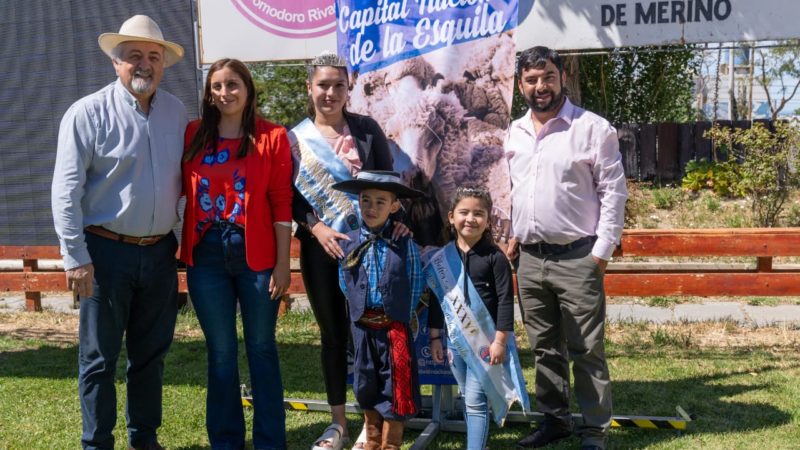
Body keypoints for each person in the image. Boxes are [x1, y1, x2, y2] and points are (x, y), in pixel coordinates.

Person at [51, 15, 187, 450]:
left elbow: (181, 183)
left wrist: (181, 240)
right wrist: (75, 257)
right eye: (134, 57)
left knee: (151, 357)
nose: (144, 65)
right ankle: (98, 443)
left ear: (164, 64)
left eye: (153, 56)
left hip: (161, 254)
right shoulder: (86, 113)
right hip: (104, 254)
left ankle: (143, 438)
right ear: (116, 63)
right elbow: (65, 191)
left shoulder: (177, 112)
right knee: (98, 359)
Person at [505, 46, 628, 450]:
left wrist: (602, 251)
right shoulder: (514, 133)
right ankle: (554, 421)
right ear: (521, 84)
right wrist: (510, 230)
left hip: (578, 257)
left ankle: (593, 431)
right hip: (530, 259)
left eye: (548, 77)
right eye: (531, 80)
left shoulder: (593, 128)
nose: (540, 86)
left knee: (586, 348)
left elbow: (614, 192)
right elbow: (511, 190)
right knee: (544, 349)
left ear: (562, 78)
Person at [180, 58, 293, 449]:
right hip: (206, 256)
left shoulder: (273, 136)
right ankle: (226, 442)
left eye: (232, 85)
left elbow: (281, 205)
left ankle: (269, 441)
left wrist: (282, 264)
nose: (224, 93)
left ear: (248, 90)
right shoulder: (194, 134)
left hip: (256, 255)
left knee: (262, 347)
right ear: (209, 94)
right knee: (222, 353)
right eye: (217, 87)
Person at [289, 51, 397, 450]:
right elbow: (286, 196)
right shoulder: (293, 139)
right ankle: (338, 424)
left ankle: (375, 423)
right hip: (321, 251)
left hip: (371, 252)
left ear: (348, 89)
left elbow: (388, 181)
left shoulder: (367, 130)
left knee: (372, 332)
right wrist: (315, 227)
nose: (330, 92)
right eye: (323, 84)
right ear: (309, 88)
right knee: (333, 336)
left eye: (338, 85)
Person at [331, 170, 429, 450]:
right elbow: (344, 280)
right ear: (357, 202)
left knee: (396, 386)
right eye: (366, 200)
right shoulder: (348, 242)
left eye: (380, 202)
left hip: (394, 326)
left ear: (395, 206)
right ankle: (372, 440)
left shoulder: (404, 242)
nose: (372, 208)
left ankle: (391, 445)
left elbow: (415, 281)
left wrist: (400, 312)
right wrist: (359, 306)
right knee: (365, 381)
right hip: (363, 326)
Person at [426, 187, 530, 450]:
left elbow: (506, 301)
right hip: (454, 341)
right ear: (451, 217)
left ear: (488, 220)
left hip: (486, 341)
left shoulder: (495, 258)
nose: (470, 219)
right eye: (464, 212)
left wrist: (500, 341)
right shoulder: (443, 259)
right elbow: (440, 300)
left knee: (474, 399)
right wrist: (435, 336)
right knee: (466, 395)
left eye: (478, 213)